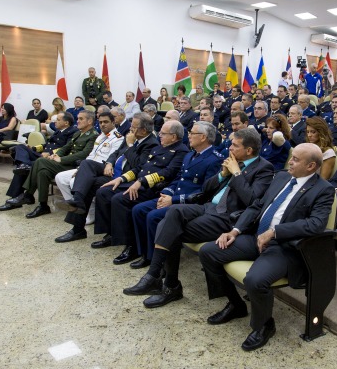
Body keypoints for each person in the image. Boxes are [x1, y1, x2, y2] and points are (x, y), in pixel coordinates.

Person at [198, 143, 334, 351]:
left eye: (296, 159)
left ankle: (264, 325)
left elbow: (315, 224)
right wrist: (235, 231)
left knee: (254, 280)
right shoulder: (281, 177)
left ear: (311, 166)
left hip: (283, 246)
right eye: (292, 156)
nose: (290, 161)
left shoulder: (323, 190)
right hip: (255, 236)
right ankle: (235, 304)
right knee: (209, 252)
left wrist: (275, 232)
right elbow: (257, 206)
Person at [122, 128, 274, 310]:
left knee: (168, 228)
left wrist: (236, 174)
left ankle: (164, 282)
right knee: (174, 213)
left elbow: (252, 200)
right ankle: (159, 278)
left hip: (226, 218)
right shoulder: (232, 162)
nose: (230, 148)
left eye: (234, 145)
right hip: (207, 207)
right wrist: (222, 175)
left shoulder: (263, 168)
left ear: (249, 151)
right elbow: (206, 189)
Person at [127, 121, 224, 268]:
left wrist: (173, 200)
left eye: (192, 133)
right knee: (138, 210)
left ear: (203, 137)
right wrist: (166, 193)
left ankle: (158, 263)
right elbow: (178, 178)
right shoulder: (190, 155)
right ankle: (146, 253)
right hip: (173, 197)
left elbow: (205, 192)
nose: (188, 136)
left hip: (189, 204)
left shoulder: (214, 159)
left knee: (153, 216)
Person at [93, 121, 189, 265]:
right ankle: (112, 234)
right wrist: (121, 178)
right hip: (142, 184)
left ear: (174, 137)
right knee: (105, 192)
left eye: (163, 133)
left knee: (121, 200)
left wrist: (141, 181)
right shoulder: (159, 148)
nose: (159, 135)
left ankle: (131, 246)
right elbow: (142, 167)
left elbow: (168, 173)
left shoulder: (181, 151)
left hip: (155, 189)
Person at [54, 112, 159, 243]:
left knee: (91, 185)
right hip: (112, 171)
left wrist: (131, 145)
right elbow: (115, 153)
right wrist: (109, 163)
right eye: (131, 126)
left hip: (126, 178)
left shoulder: (151, 144)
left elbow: (139, 166)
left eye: (134, 127)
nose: (130, 129)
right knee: (86, 164)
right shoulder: (133, 137)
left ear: (143, 130)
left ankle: (80, 227)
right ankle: (77, 205)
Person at [2, 110, 98, 218]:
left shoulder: (93, 135)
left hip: (74, 165)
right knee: (43, 172)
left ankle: (28, 195)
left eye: (81, 119)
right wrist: (55, 156)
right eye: (78, 118)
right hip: (62, 161)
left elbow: (83, 154)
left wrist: (61, 159)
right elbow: (65, 148)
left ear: (89, 121)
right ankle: (43, 206)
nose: (78, 121)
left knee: (39, 162)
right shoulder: (78, 133)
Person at [0, 113, 78, 211]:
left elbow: (66, 149)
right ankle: (24, 165)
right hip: (43, 155)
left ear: (66, 122)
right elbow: (47, 144)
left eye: (58, 120)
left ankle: (18, 197)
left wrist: (50, 153)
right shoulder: (58, 131)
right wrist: (34, 148)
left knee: (24, 170)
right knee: (20, 147)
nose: (55, 122)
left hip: (53, 158)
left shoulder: (73, 132)